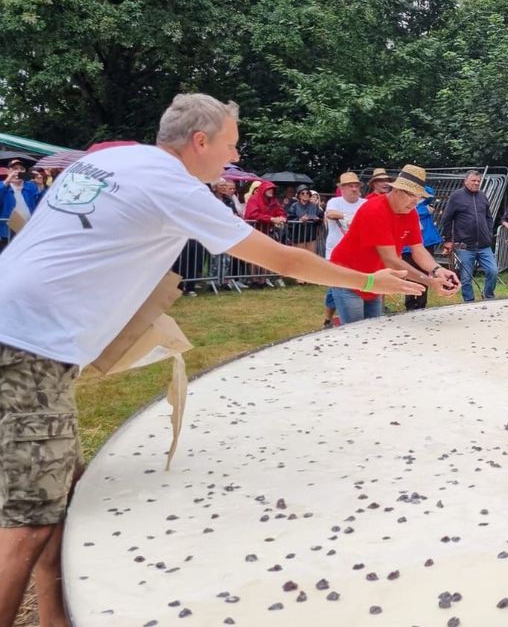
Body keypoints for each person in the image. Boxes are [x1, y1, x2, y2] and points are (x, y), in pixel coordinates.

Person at [0, 93, 423, 627]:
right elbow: (282, 258)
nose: (234, 156)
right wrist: (368, 280)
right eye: (230, 144)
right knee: (29, 519)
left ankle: (57, 619)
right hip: (26, 344)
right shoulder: (171, 183)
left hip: (21, 331)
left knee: (60, 490)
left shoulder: (110, 159)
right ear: (199, 141)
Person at [330, 165, 460, 323]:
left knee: (375, 330)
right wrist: (429, 281)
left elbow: (418, 249)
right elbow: (390, 259)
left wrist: (437, 270)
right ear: (397, 190)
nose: (415, 202)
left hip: (375, 277)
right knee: (356, 331)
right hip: (348, 274)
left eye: (419, 197)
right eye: (412, 195)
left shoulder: (411, 213)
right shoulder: (375, 210)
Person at [441, 169, 499, 302]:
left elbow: (489, 217)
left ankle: (488, 296)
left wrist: (489, 233)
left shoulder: (482, 196)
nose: (476, 183)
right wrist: (448, 240)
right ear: (465, 181)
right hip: (464, 246)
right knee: (466, 278)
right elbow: (447, 219)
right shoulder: (456, 196)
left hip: (484, 245)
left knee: (493, 271)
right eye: (473, 180)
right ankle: (469, 302)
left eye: (478, 181)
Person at [322, 172, 367, 327]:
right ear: (342, 188)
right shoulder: (335, 201)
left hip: (358, 253)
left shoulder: (364, 203)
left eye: (356, 186)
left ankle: (336, 317)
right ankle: (331, 318)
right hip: (335, 252)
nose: (354, 189)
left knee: (347, 286)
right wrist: (349, 216)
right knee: (337, 285)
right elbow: (331, 214)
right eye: (350, 186)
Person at [403, 185, 444, 310]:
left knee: (425, 273)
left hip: (426, 242)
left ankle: (421, 303)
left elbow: (430, 192)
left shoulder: (425, 204)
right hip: (407, 245)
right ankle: (409, 302)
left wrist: (419, 187)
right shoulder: (408, 207)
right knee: (409, 272)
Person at [242, 180, 288, 287]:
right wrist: (271, 219)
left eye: (272, 189)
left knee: (265, 256)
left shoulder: (273, 201)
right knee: (254, 256)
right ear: (263, 189)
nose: (271, 191)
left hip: (267, 232)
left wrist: (283, 218)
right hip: (254, 232)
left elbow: (280, 211)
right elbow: (253, 215)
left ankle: (262, 279)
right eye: (269, 189)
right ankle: (254, 280)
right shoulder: (254, 199)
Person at [0, 166, 42, 253]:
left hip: (28, 230)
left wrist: (40, 185)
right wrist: (7, 181)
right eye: (15, 168)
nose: (18, 171)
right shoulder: (3, 186)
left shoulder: (31, 187)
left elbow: (42, 204)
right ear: (9, 171)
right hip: (8, 232)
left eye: (22, 169)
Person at [286, 186, 323, 256]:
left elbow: (321, 217)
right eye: (303, 193)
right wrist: (300, 220)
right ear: (299, 195)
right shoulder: (294, 206)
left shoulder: (314, 206)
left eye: (307, 193)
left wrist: (317, 219)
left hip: (311, 236)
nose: (305, 195)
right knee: (298, 257)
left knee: (311, 257)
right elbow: (289, 219)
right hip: (298, 236)